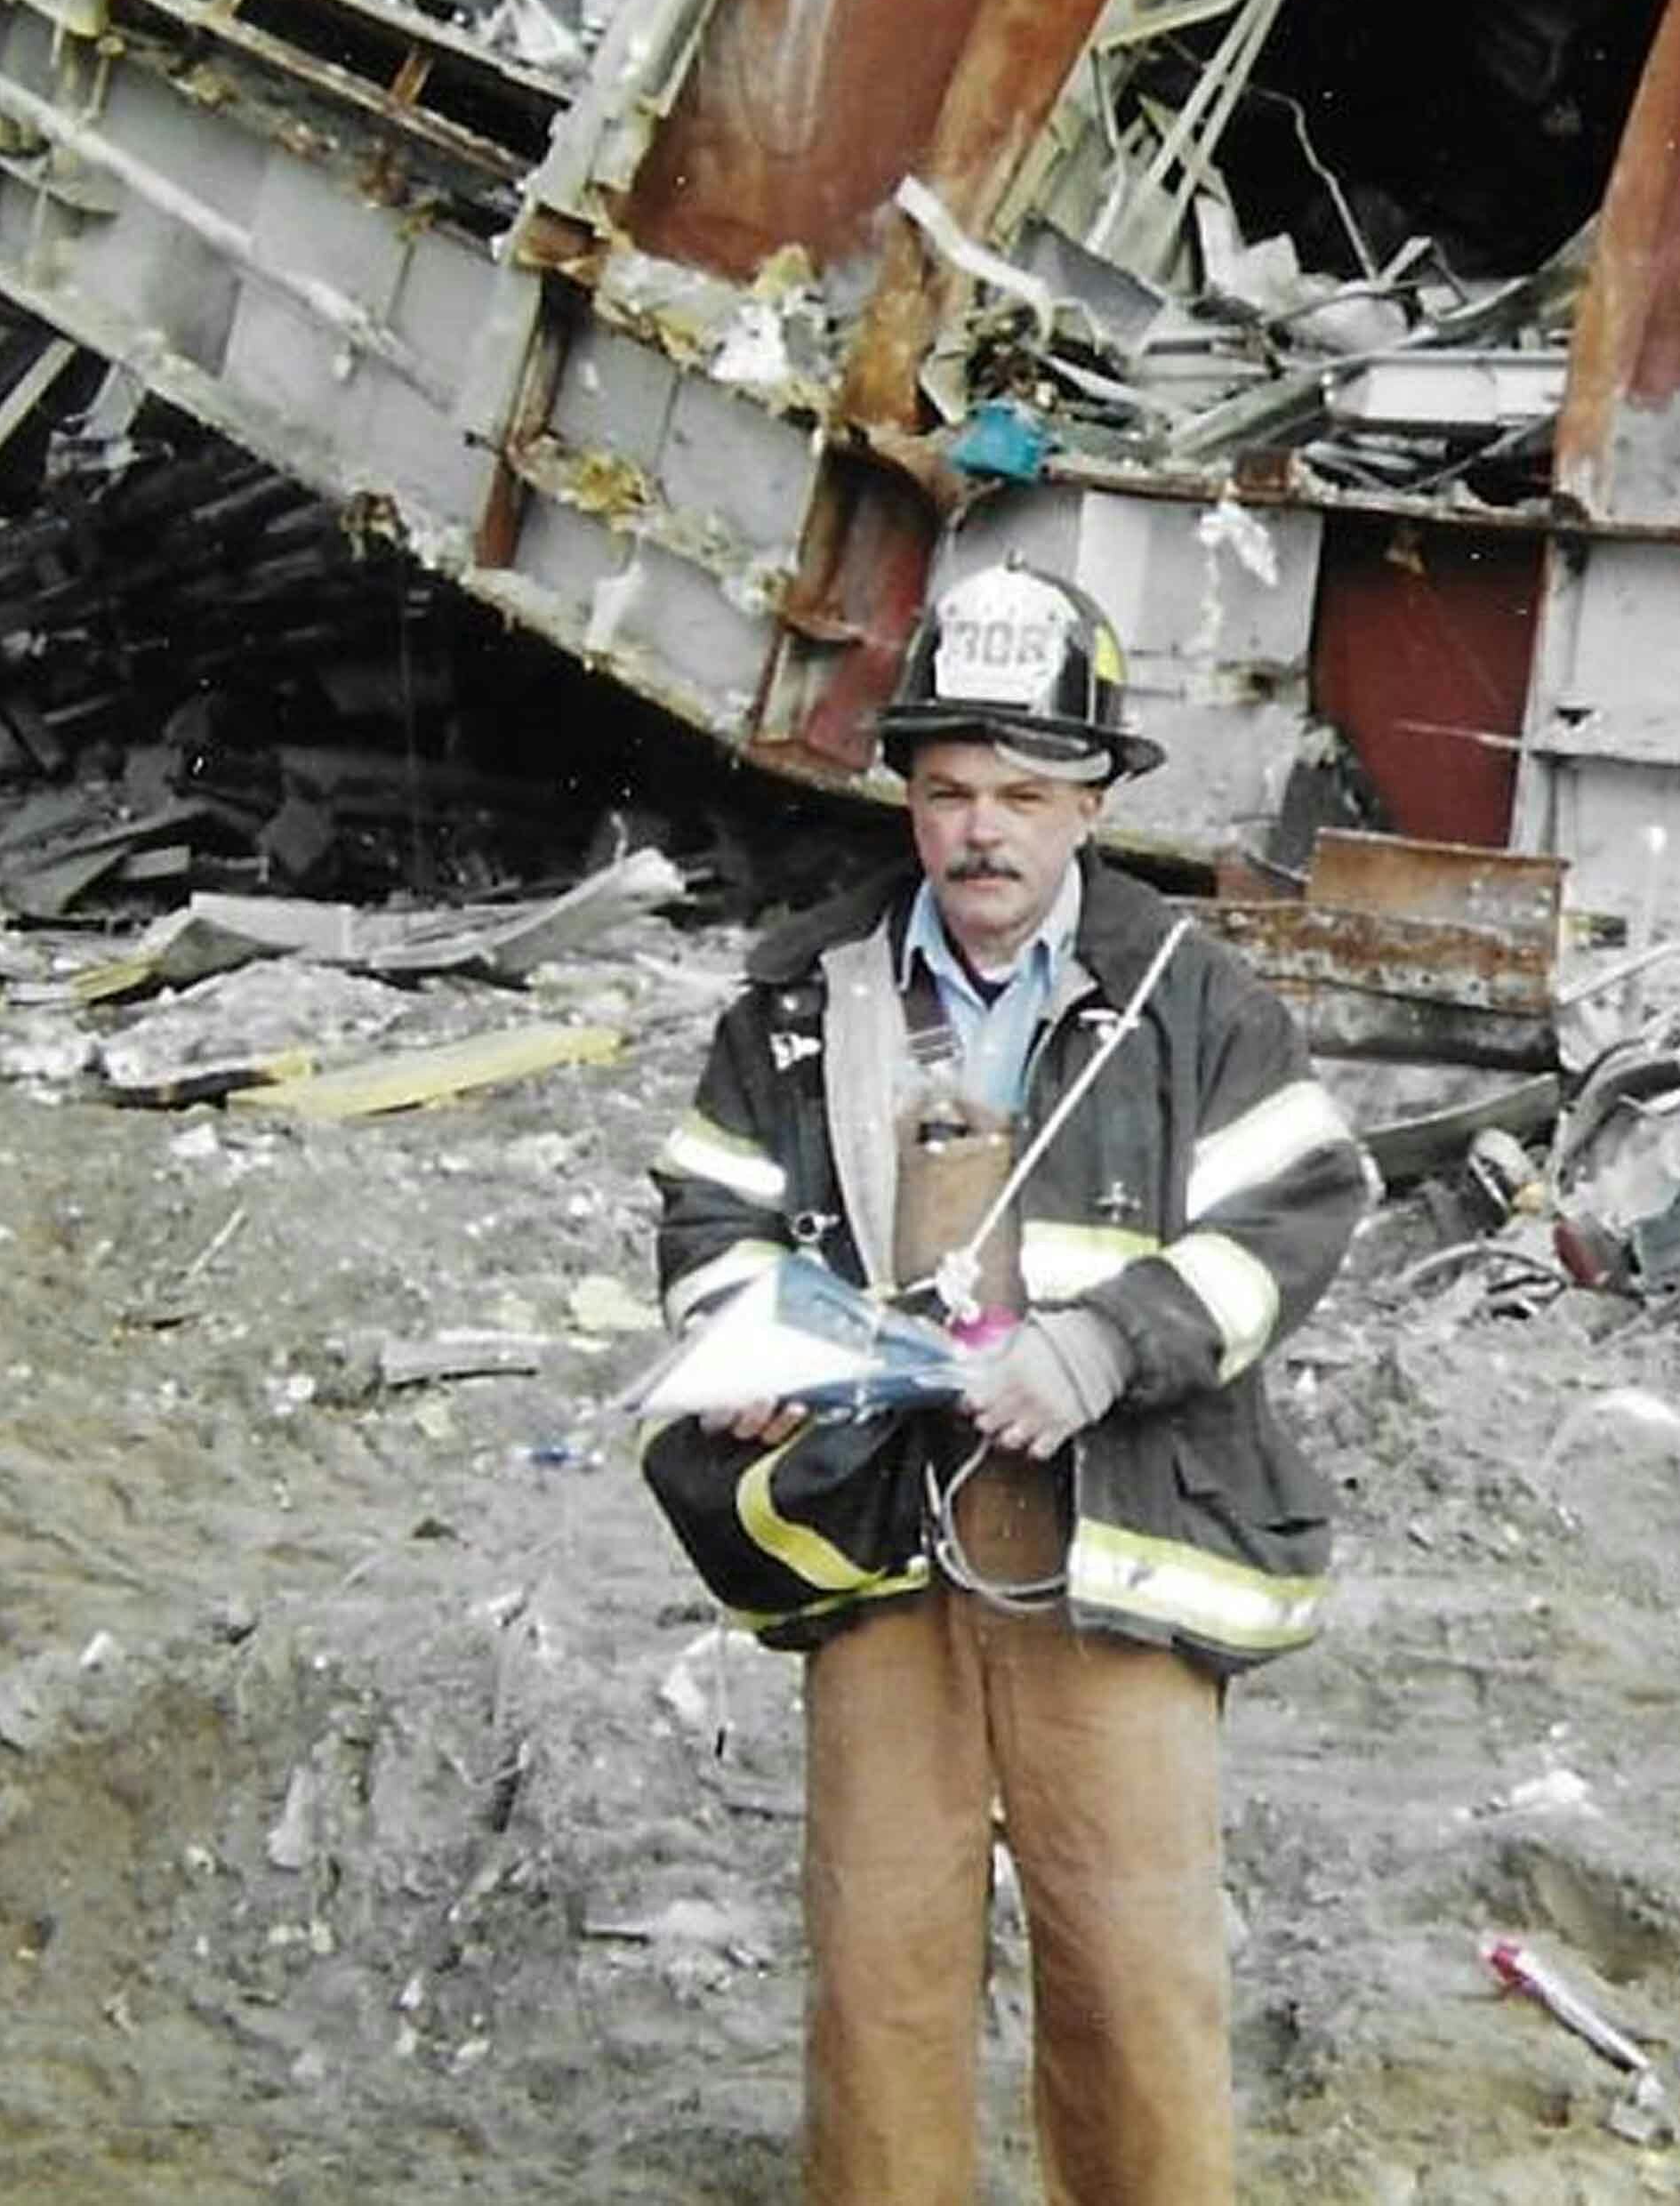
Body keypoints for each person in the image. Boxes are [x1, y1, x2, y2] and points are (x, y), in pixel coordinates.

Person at [645, 561, 1372, 2204]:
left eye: (1027, 794)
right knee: (881, 1965)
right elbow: (706, 1208)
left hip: (1105, 1541)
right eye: (951, 791)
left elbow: (1300, 1209)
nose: (985, 832)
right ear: (908, 792)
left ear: (1094, 798)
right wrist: (752, 1344)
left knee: (1128, 1966)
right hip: (883, 1538)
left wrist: (1107, 1342)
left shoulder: (1196, 1003)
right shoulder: (798, 997)